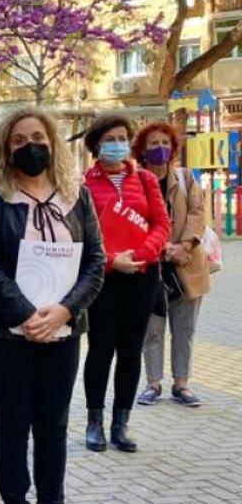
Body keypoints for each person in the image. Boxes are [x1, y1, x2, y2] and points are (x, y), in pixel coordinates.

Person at [0, 106, 104, 504]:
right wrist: (28, 316)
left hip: (64, 330)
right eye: (20, 140)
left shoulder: (75, 195)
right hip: (4, 332)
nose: (32, 146)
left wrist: (64, 310)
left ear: (53, 142)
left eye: (39, 137)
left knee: (54, 424)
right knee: (13, 422)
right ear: (6, 148)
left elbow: (95, 263)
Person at [80, 114, 170, 453]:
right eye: (110, 138)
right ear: (96, 145)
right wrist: (111, 260)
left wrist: (144, 254)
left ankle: (121, 423)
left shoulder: (145, 180)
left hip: (142, 276)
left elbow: (161, 224)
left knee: (131, 351)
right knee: (100, 350)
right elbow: (83, 235)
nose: (118, 143)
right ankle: (94, 423)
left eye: (123, 137)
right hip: (105, 278)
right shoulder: (84, 185)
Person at [133, 122, 211, 408]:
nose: (160, 149)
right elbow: (134, 218)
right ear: (142, 150)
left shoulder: (186, 177)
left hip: (186, 264)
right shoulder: (136, 181)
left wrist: (185, 245)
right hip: (152, 265)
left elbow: (198, 212)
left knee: (185, 328)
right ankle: (153, 383)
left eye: (165, 143)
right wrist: (161, 246)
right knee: (152, 327)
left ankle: (182, 383)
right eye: (153, 144)